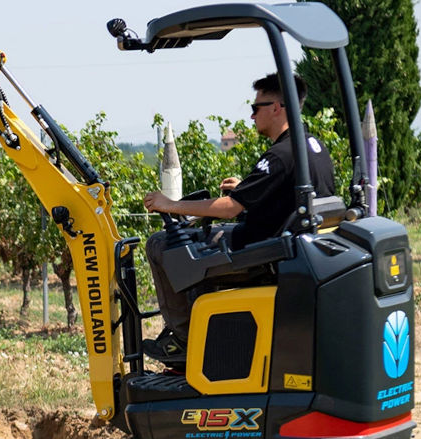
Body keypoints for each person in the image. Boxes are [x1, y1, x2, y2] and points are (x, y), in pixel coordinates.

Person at [138, 72, 336, 370]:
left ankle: (184, 341)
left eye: (257, 107)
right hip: (286, 244)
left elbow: (230, 208)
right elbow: (285, 197)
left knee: (161, 244)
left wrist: (172, 204)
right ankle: (211, 340)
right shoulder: (312, 147)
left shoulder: (280, 155)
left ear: (277, 108)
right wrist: (246, 188)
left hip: (261, 252)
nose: (252, 114)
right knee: (193, 249)